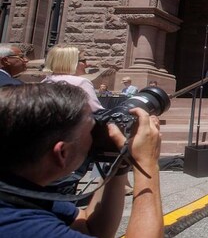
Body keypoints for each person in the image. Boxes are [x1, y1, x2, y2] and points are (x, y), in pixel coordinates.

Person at [0, 82, 164, 237]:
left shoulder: (17, 188)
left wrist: (118, 164)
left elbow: (88, 228)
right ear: (62, 153)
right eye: (92, 127)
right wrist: (147, 164)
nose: (100, 132)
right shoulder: (25, 226)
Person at [42, 44, 103, 113]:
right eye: (83, 60)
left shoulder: (44, 82)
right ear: (72, 62)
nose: (87, 64)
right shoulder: (81, 83)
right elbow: (96, 111)